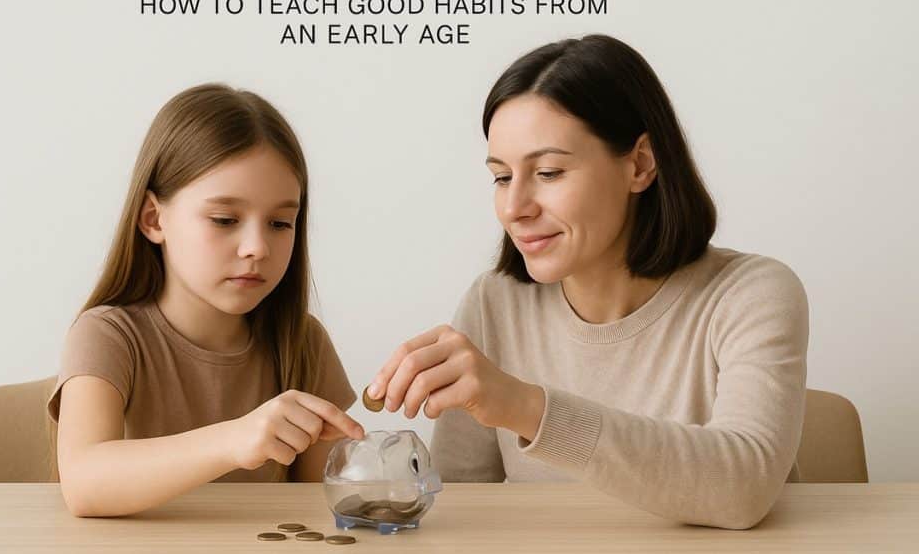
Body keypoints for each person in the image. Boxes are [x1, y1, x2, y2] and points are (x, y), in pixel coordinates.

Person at [366, 35, 808, 530]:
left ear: (640, 163)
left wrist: (523, 406)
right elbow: (462, 508)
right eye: (501, 177)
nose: (514, 208)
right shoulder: (495, 303)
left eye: (549, 172)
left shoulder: (750, 293)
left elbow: (743, 489)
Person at [47, 83, 364, 517]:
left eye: (279, 223)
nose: (257, 247)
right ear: (154, 219)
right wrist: (233, 440)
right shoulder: (107, 335)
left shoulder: (302, 341)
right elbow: (84, 484)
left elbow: (322, 503)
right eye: (224, 219)